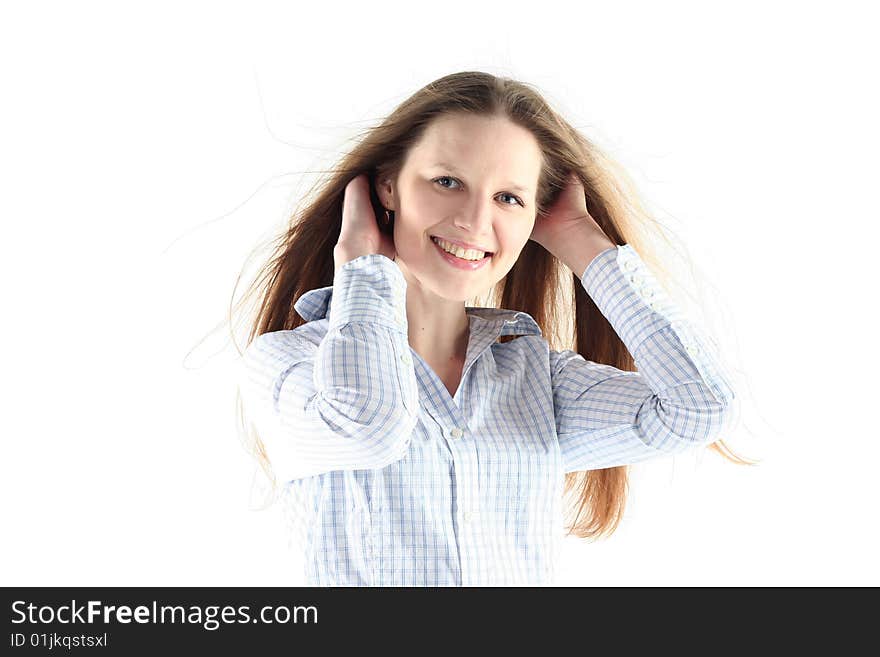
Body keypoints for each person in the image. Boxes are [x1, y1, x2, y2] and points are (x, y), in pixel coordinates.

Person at [235, 71, 749, 586]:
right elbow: (370, 426)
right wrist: (363, 269)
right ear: (387, 187)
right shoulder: (287, 365)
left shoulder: (537, 381)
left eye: (509, 198)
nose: (476, 221)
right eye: (447, 182)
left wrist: (582, 242)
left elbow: (700, 408)